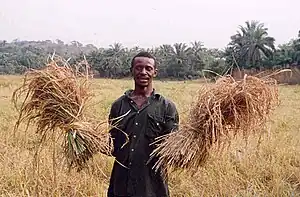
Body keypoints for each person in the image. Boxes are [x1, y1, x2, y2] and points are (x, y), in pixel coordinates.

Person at [107, 51, 179, 197]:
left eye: (148, 68)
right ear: (132, 71)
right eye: (138, 68)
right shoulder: (118, 105)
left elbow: (173, 148)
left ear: (155, 72)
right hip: (121, 183)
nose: (143, 72)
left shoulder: (166, 107)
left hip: (152, 185)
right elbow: (112, 145)